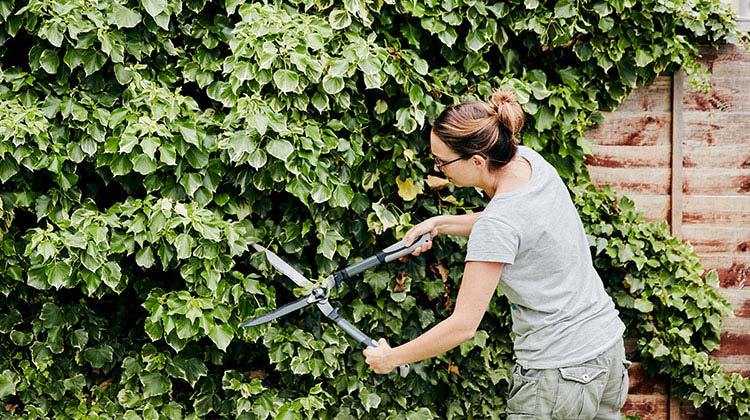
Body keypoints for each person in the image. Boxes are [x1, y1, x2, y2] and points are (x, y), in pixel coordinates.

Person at [363, 90, 630, 419]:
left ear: (477, 161)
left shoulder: (498, 224)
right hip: (606, 350)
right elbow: (521, 227)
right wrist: (442, 223)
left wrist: (393, 358)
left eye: (441, 161)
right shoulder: (532, 164)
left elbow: (463, 325)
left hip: (558, 375)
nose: (438, 168)